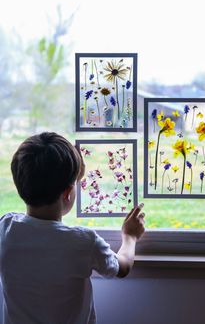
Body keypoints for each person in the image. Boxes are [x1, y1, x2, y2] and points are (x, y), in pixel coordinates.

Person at [0, 132, 145, 324]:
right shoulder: (83, 241)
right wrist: (130, 236)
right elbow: (122, 266)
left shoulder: (5, 229)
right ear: (68, 193)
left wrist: (72, 176)